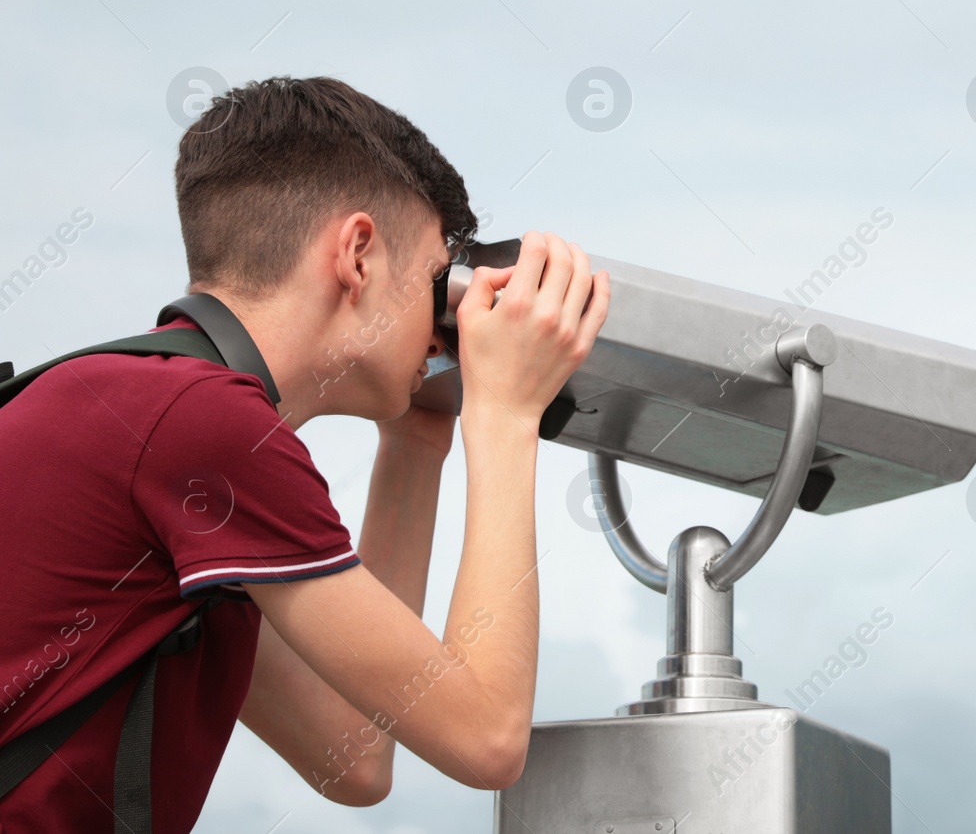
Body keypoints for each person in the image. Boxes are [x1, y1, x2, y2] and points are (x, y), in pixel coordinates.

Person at [0, 76, 609, 831]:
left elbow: (352, 750)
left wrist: (417, 442)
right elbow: (485, 737)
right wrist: (507, 411)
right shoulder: (202, 424)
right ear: (357, 253)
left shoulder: (141, 408)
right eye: (431, 279)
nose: (438, 318)